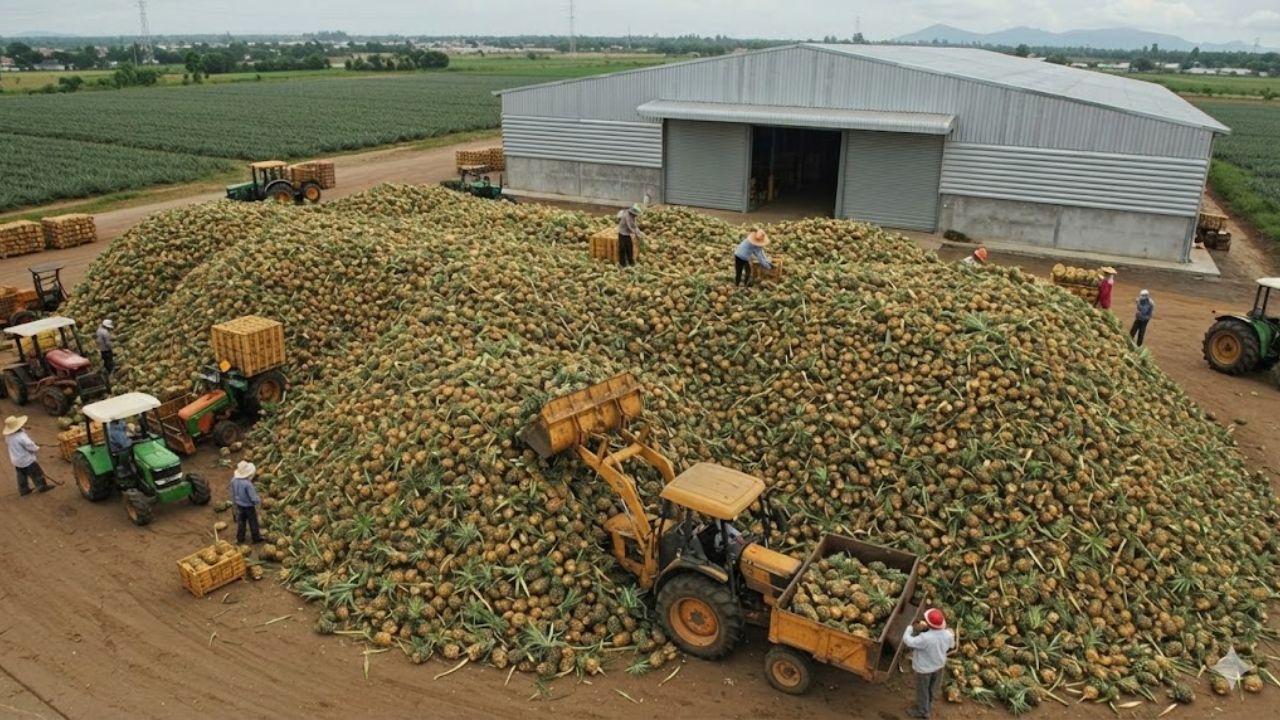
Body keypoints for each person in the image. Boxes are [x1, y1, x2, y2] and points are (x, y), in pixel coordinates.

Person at [903, 607, 956, 720]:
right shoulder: (948, 634)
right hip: (939, 667)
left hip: (924, 669)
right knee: (932, 688)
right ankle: (929, 705)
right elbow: (951, 645)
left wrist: (909, 628)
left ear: (928, 624)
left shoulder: (924, 638)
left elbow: (908, 641)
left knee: (922, 690)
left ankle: (922, 711)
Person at [5, 415, 50, 496]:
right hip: (27, 460)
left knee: (21, 475)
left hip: (17, 460)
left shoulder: (8, 437)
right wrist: (36, 447)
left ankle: (23, 489)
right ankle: (42, 486)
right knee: (36, 473)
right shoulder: (21, 436)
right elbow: (29, 445)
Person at [230, 460, 264, 544]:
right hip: (249, 506)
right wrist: (258, 501)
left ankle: (240, 539)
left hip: (239, 505)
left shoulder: (233, 480)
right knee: (253, 522)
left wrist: (234, 504)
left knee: (241, 522)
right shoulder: (247, 484)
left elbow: (233, 493)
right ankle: (256, 538)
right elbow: (253, 497)